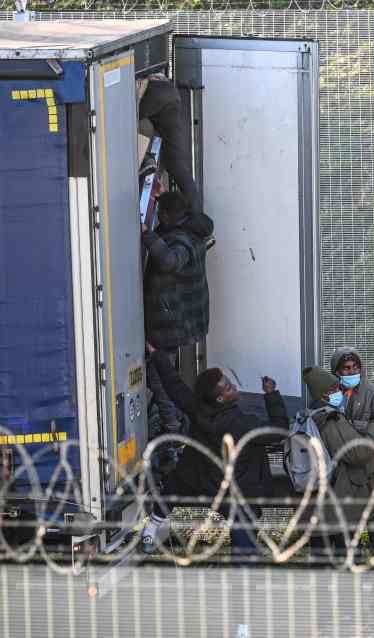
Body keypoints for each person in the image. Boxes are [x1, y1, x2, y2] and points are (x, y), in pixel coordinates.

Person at [140, 344, 289, 559]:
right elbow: (280, 430)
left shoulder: (197, 409)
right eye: (228, 387)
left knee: (173, 488)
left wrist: (158, 356)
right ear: (221, 399)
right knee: (243, 538)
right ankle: (243, 578)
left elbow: (175, 387)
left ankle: (151, 530)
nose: (233, 386)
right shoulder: (242, 424)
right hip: (235, 492)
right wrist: (272, 394)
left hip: (203, 481)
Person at [298, 367, 374, 556]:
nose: (340, 392)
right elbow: (358, 453)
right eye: (335, 389)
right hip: (339, 505)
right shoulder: (330, 419)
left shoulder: (307, 418)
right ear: (325, 394)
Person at [142, 191, 213, 442]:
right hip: (179, 319)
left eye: (162, 213)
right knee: (164, 372)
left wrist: (147, 234)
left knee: (159, 374)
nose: (159, 217)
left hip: (170, 322)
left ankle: (171, 426)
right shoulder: (190, 229)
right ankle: (175, 419)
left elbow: (170, 261)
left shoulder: (182, 240)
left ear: (172, 216)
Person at [138, 75, 202, 215]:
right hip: (159, 98)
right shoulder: (172, 156)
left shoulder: (169, 148)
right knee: (128, 116)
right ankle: (196, 213)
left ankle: (196, 211)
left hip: (165, 92)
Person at [328, 347, 374, 464]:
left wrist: (352, 425)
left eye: (355, 367)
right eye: (346, 368)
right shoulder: (331, 395)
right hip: (342, 465)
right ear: (336, 372)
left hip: (372, 464)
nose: (352, 371)